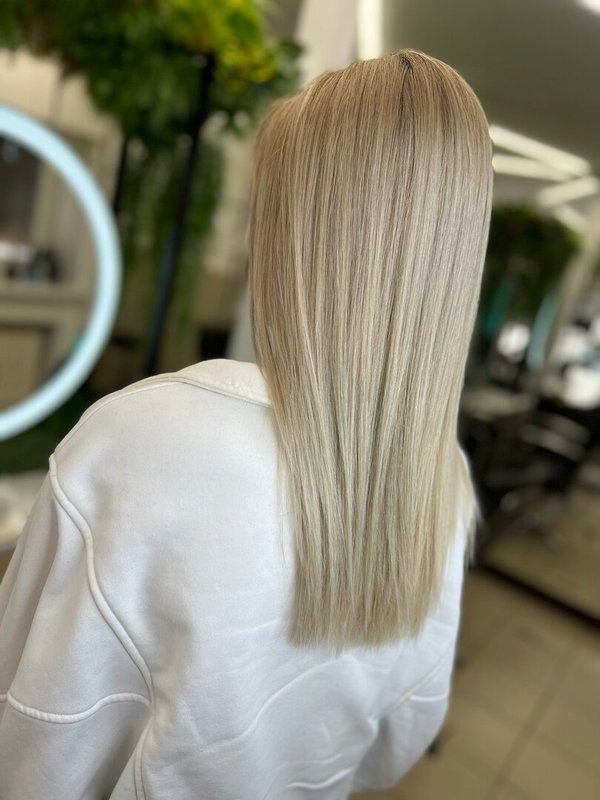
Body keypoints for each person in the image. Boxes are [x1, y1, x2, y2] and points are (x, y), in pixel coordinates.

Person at [0, 49, 492, 799]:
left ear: (287, 237)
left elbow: (28, 744)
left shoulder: (140, 445)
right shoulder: (442, 479)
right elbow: (399, 743)